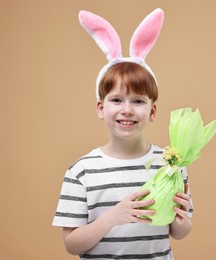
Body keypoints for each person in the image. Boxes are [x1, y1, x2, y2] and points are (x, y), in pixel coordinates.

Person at [53, 9, 193, 259]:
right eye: (116, 100)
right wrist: (112, 218)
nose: (127, 110)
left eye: (138, 101)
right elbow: (72, 244)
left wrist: (180, 217)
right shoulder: (82, 171)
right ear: (100, 107)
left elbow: (179, 232)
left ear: (152, 111)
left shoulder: (171, 164)